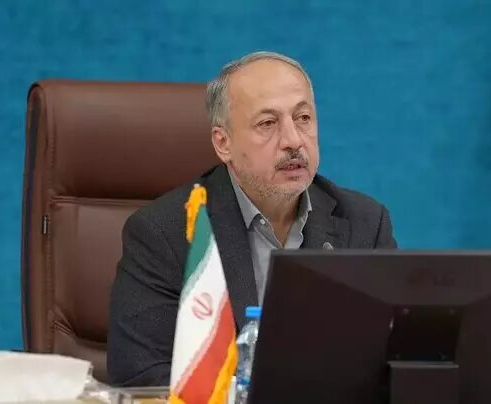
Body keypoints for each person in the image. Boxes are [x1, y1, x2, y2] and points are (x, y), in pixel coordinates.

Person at [107, 51, 398, 387]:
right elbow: (142, 376)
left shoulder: (363, 224)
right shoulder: (165, 234)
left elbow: (394, 360)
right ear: (223, 143)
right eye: (267, 124)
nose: (293, 140)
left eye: (303, 118)